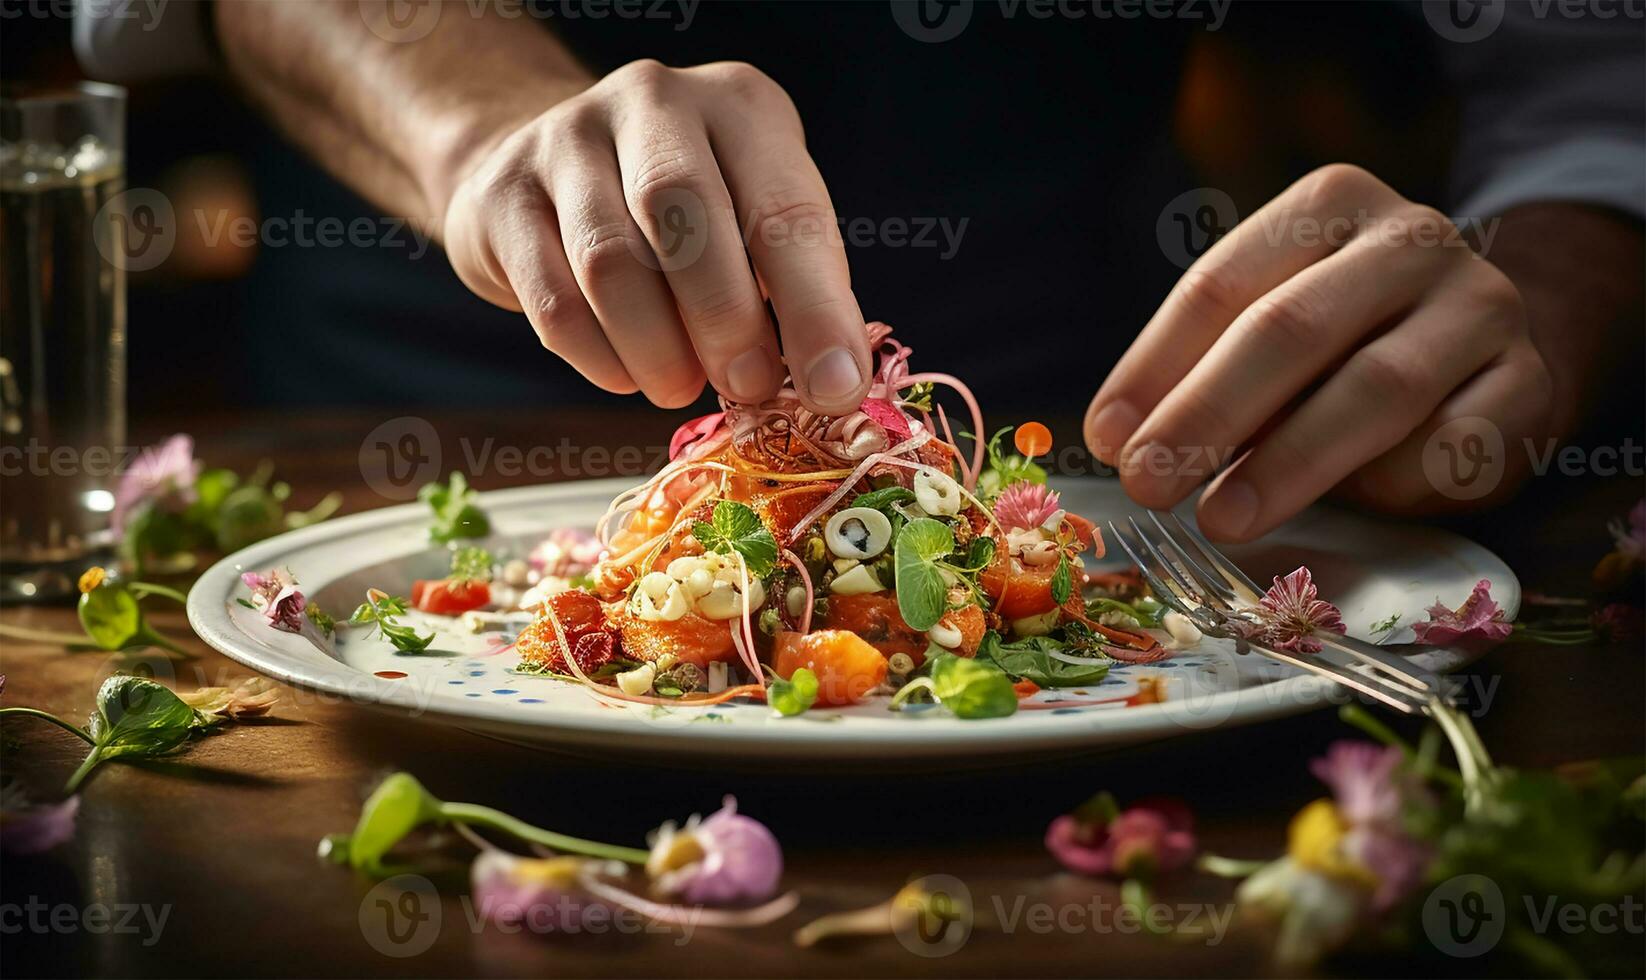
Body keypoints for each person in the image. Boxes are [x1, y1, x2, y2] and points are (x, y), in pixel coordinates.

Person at [76, 1, 1644, 541]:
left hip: (1126, 495)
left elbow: (1589, 93)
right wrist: (482, 131)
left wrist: (1516, 329)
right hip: (374, 440)